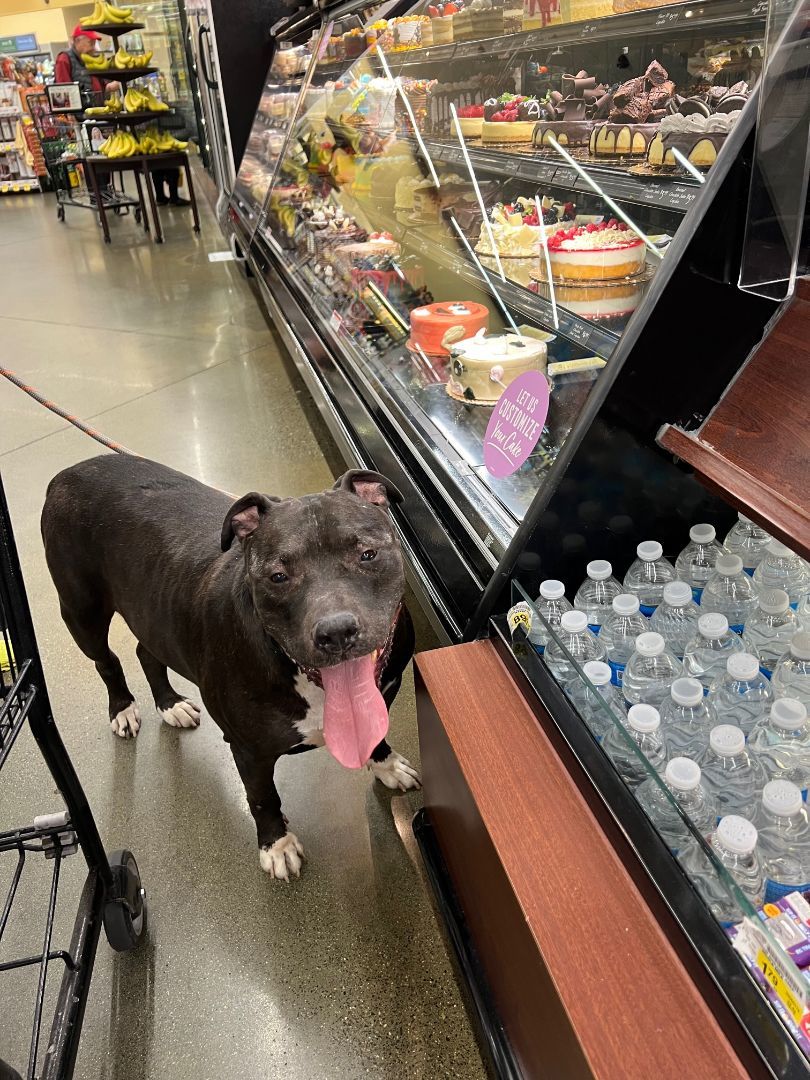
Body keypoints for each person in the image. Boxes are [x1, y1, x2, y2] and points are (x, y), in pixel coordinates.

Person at [54, 26, 121, 99]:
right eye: (90, 43)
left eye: (94, 43)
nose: (93, 48)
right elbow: (65, 92)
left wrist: (110, 87)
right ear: (77, 41)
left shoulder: (91, 60)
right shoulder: (64, 59)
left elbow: (98, 88)